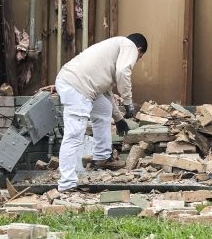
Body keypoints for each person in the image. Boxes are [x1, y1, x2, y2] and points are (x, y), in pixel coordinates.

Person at [54, 33, 147, 192]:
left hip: (78, 84)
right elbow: (123, 72)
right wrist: (128, 103)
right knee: (74, 134)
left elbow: (106, 93)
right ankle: (67, 183)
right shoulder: (129, 46)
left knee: (104, 107)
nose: (136, 60)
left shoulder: (113, 51)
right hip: (77, 87)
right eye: (139, 57)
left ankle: (102, 158)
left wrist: (118, 118)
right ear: (138, 49)